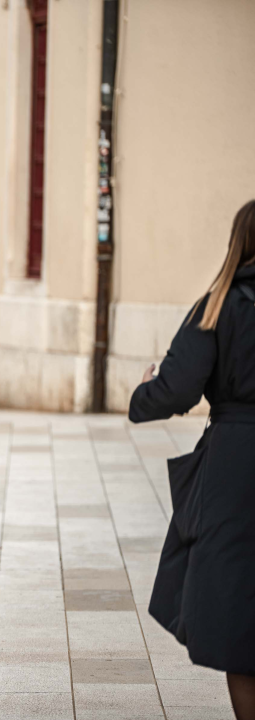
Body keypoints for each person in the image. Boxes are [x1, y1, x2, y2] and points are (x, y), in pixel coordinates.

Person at [128, 199, 255, 720]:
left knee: (239, 607)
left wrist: (144, 393)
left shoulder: (220, 305)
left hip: (237, 467)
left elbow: (177, 388)